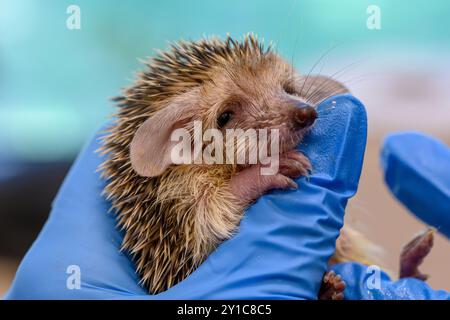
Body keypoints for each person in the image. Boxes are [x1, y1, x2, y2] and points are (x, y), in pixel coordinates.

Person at [4, 95, 449, 299]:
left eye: (287, 89)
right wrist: (247, 184)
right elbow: (195, 234)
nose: (297, 110)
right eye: (229, 114)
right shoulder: (181, 187)